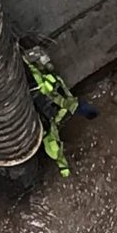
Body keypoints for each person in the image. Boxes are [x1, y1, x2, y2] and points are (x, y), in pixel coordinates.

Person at [22, 45, 97, 177]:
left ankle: (93, 115)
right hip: (46, 107)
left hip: (51, 98)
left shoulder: (26, 62)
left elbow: (40, 57)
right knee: (53, 141)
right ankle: (65, 170)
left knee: (75, 106)